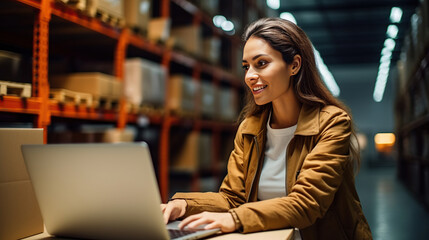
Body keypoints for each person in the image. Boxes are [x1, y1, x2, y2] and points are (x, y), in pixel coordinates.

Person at [161, 17, 372, 239]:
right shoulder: (250, 129)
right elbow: (232, 198)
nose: (250, 76)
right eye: (246, 66)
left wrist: (235, 218)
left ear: (294, 65)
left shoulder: (333, 123)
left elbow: (307, 204)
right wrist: (183, 204)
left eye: (261, 63)